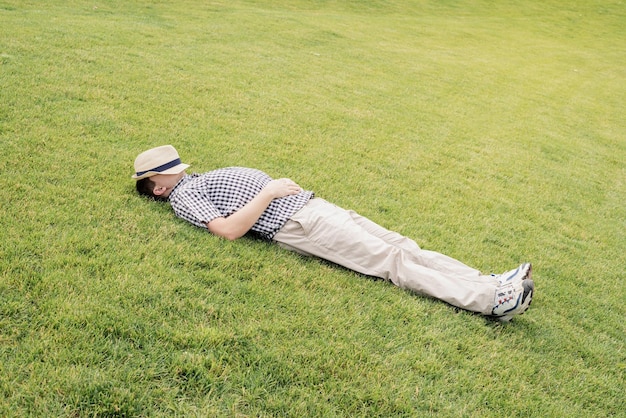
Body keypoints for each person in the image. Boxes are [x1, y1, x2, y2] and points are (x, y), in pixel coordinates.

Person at [132, 145, 535, 321]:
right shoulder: (183, 196)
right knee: (390, 261)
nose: (175, 167)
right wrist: (270, 190)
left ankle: (488, 281)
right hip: (300, 224)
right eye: (164, 170)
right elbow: (226, 231)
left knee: (403, 245)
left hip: (313, 207)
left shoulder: (195, 179)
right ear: (158, 187)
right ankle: (489, 301)